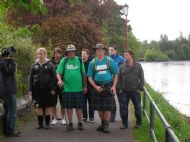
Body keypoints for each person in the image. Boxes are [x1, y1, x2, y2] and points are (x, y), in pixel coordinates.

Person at [87, 43, 118, 133]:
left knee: (107, 108)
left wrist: (114, 86)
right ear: (96, 51)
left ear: (104, 51)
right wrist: (95, 86)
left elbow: (116, 74)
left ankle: (106, 124)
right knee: (100, 109)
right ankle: (103, 122)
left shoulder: (109, 61)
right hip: (97, 87)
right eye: (98, 50)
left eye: (101, 49)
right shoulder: (92, 63)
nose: (99, 51)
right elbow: (89, 77)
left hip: (108, 86)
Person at [57, 44, 87, 131]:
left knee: (79, 107)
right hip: (67, 88)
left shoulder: (80, 60)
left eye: (72, 51)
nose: (71, 53)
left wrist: (85, 85)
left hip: (79, 88)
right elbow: (58, 73)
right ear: (67, 52)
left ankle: (80, 123)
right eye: (69, 52)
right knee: (69, 107)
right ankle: (70, 123)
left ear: (74, 52)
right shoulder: (64, 60)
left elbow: (83, 74)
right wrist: (59, 80)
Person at [28, 48, 56, 130]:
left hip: (48, 90)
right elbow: (30, 79)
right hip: (36, 90)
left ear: (45, 54)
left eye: (42, 54)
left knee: (48, 107)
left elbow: (54, 78)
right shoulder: (34, 65)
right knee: (38, 107)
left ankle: (47, 124)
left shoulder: (50, 65)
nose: (40, 55)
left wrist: (53, 89)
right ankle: (40, 124)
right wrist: (30, 90)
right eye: (38, 54)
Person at [118, 49, 144, 129]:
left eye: (126, 54)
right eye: (124, 54)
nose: (125, 56)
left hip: (135, 91)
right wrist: (120, 88)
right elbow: (119, 78)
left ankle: (138, 122)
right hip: (124, 91)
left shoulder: (138, 66)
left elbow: (142, 78)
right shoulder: (122, 66)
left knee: (137, 108)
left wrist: (140, 88)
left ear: (131, 55)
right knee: (123, 108)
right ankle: (124, 124)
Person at [0, 47, 21, 137]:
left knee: (7, 110)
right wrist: (11, 60)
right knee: (12, 111)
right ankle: (11, 131)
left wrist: (8, 59)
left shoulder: (2, 62)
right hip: (9, 90)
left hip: (3, 90)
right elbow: (10, 70)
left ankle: (6, 130)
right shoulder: (5, 63)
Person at [108, 45, 125, 122]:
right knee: (111, 101)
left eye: (112, 50)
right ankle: (112, 117)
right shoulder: (107, 59)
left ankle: (123, 117)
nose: (110, 51)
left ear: (116, 51)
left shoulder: (121, 59)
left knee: (121, 100)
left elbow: (125, 70)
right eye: (109, 50)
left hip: (119, 82)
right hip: (109, 82)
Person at [50, 47, 66, 125]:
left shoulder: (63, 62)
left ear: (61, 54)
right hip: (53, 85)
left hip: (62, 85)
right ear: (54, 54)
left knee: (63, 103)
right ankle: (54, 118)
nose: (57, 55)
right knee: (53, 103)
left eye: (59, 53)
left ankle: (63, 118)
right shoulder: (50, 62)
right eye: (56, 53)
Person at [81, 48, 94, 123]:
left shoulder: (92, 62)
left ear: (88, 55)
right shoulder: (80, 62)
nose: (82, 55)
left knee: (91, 101)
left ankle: (91, 117)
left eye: (84, 54)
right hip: (82, 85)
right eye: (82, 54)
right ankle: (84, 117)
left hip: (91, 85)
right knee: (83, 101)